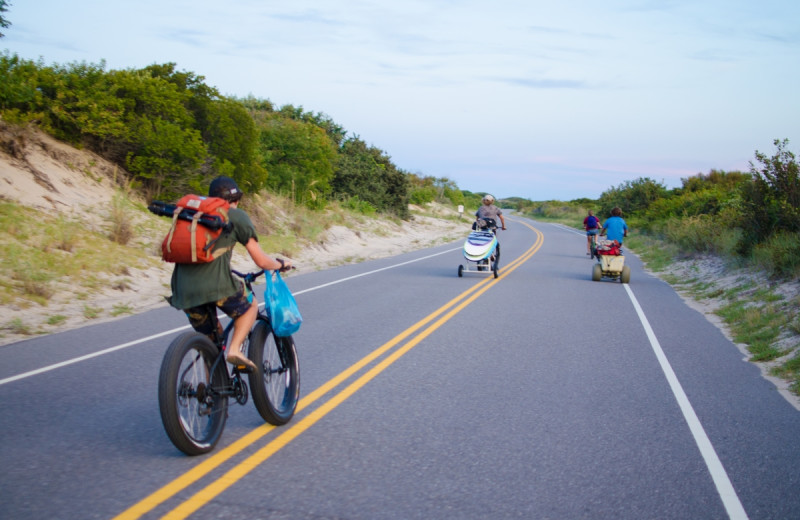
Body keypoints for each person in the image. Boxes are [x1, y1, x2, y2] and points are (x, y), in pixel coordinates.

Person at [167, 176, 293, 371]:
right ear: (236, 200)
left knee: (212, 341)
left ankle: (213, 391)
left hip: (183, 289)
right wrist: (279, 263)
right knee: (250, 306)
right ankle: (235, 349)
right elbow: (260, 260)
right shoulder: (235, 216)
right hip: (216, 285)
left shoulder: (193, 215)